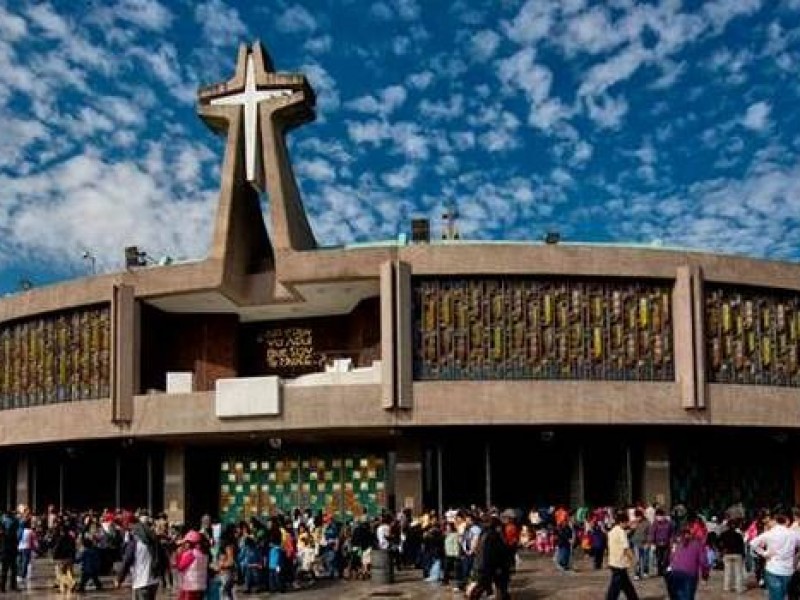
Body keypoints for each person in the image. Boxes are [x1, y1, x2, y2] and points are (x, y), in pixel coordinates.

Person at [750, 511, 800, 600]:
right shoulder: (793, 534)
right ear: (787, 521)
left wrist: (764, 553)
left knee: (775, 596)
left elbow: (753, 544)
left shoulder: (770, 533)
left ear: (776, 521)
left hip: (773, 568)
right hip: (788, 570)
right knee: (784, 595)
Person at [115, 520, 160, 600]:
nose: (132, 533)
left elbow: (126, 562)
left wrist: (119, 579)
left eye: (133, 531)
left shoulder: (134, 544)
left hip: (141, 582)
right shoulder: (154, 543)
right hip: (154, 581)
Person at [667, 524, 708, 600]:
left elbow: (671, 558)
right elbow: (703, 562)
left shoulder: (677, 544)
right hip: (689, 574)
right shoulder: (698, 545)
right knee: (687, 596)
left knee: (677, 596)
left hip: (675, 573)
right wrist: (705, 576)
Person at [605, 510, 639, 600]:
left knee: (626, 584)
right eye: (626, 522)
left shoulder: (612, 531)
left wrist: (631, 529)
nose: (627, 524)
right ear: (621, 522)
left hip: (613, 561)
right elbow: (626, 548)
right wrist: (633, 559)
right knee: (615, 586)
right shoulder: (621, 532)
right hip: (620, 563)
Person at [175, 530, 209, 600]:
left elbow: (180, 567)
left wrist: (178, 555)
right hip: (201, 586)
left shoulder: (189, 554)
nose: (184, 544)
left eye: (186, 542)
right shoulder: (204, 554)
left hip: (189, 586)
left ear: (190, 543)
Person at [718, 518, 745, 594]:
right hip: (737, 554)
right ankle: (739, 588)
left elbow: (718, 542)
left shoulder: (723, 534)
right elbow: (742, 546)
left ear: (727, 526)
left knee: (727, 572)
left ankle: (727, 588)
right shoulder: (739, 535)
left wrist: (721, 550)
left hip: (727, 554)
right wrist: (743, 556)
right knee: (738, 572)